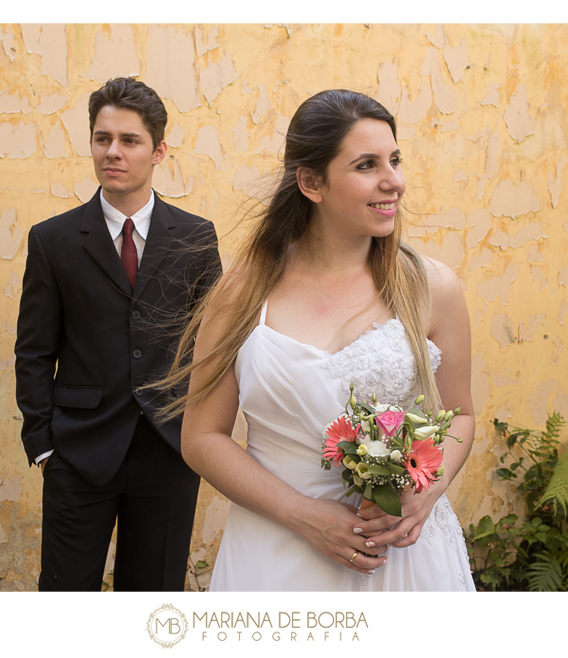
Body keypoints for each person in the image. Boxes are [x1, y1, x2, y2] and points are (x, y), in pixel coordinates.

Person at [162, 89, 474, 591]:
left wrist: (426, 491)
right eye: (367, 165)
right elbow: (202, 438)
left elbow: (461, 413)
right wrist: (303, 515)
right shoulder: (244, 292)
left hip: (400, 560)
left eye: (394, 160)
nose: (394, 181)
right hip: (275, 552)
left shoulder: (432, 287)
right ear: (311, 182)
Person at [14, 77, 221, 591]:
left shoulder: (195, 238)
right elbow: (34, 350)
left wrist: (200, 434)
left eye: (129, 141)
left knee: (153, 603)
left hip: (168, 450)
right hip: (78, 452)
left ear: (158, 152)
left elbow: (214, 344)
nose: (113, 152)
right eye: (102, 138)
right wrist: (42, 443)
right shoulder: (53, 240)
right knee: (65, 595)